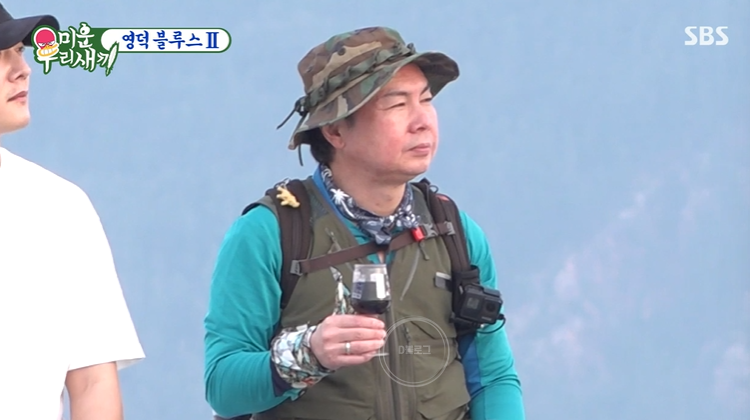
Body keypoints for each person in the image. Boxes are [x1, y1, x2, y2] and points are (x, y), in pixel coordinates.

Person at [204, 27, 524, 420]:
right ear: (335, 130)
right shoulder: (271, 233)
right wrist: (309, 353)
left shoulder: (453, 231)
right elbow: (223, 387)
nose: (422, 120)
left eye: (426, 99)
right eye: (397, 104)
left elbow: (492, 377)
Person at [0, 3, 145, 419]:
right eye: (1, 56)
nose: (23, 70)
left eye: (20, 51)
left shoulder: (60, 206)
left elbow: (93, 381)